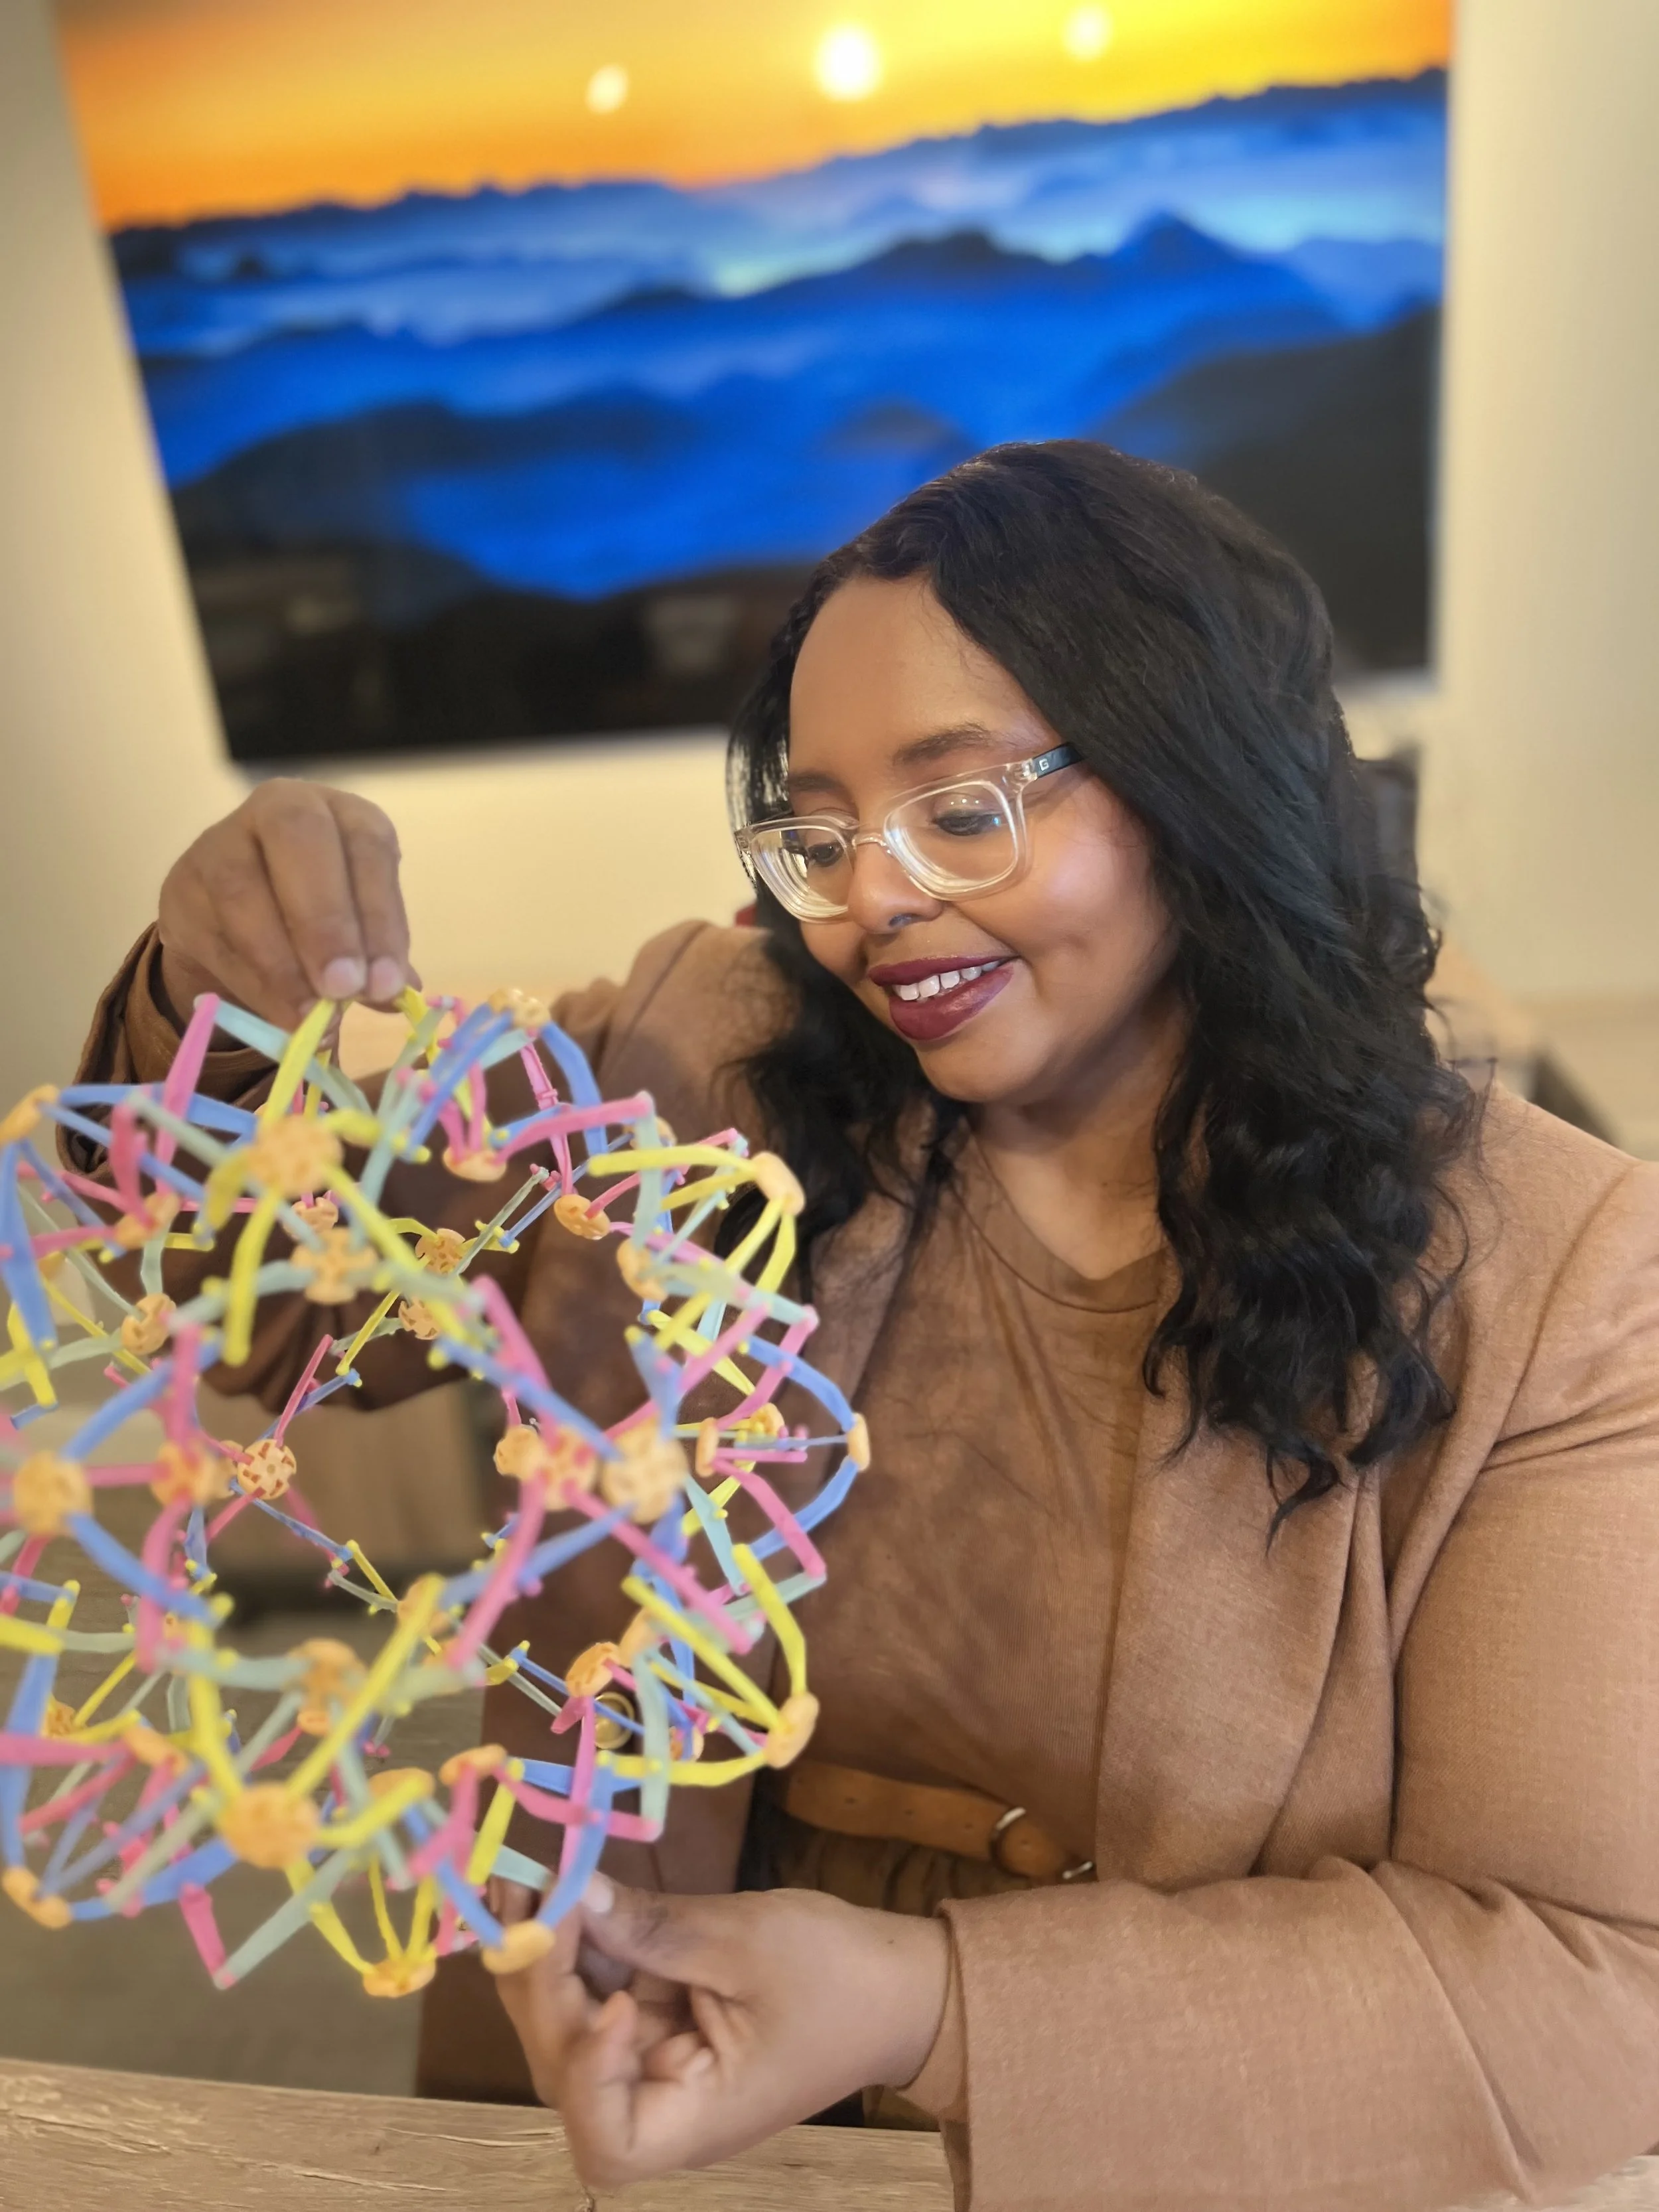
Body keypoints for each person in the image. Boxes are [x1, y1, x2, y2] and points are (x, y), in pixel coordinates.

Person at [70, 443, 1659, 2211]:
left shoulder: (1559, 1272)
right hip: (629, 2082)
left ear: (1200, 779)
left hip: (1194, 2144)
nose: (872, 901)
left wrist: (925, 2002)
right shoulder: (692, 1065)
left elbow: (1587, 1980)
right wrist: (202, 1000)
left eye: (961, 807)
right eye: (815, 829)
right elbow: (261, 1313)